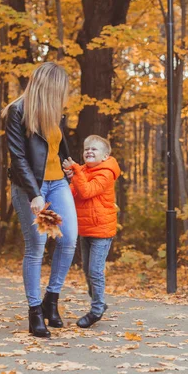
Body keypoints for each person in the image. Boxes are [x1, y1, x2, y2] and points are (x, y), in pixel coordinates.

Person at [2, 62, 78, 338]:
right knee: (37, 245)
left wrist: (71, 167)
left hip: (58, 183)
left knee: (68, 239)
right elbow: (18, 157)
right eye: (59, 90)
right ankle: (35, 311)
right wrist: (35, 193)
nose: (62, 96)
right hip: (29, 187)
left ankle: (51, 300)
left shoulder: (53, 111)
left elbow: (56, 146)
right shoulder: (17, 111)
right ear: (47, 87)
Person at [62, 135, 120, 328]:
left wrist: (77, 172)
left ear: (105, 156)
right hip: (85, 229)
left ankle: (96, 309)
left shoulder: (106, 172)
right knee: (87, 271)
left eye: (94, 149)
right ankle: (99, 301)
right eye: (87, 148)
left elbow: (87, 191)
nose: (89, 151)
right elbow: (73, 192)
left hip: (102, 230)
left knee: (95, 271)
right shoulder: (84, 171)